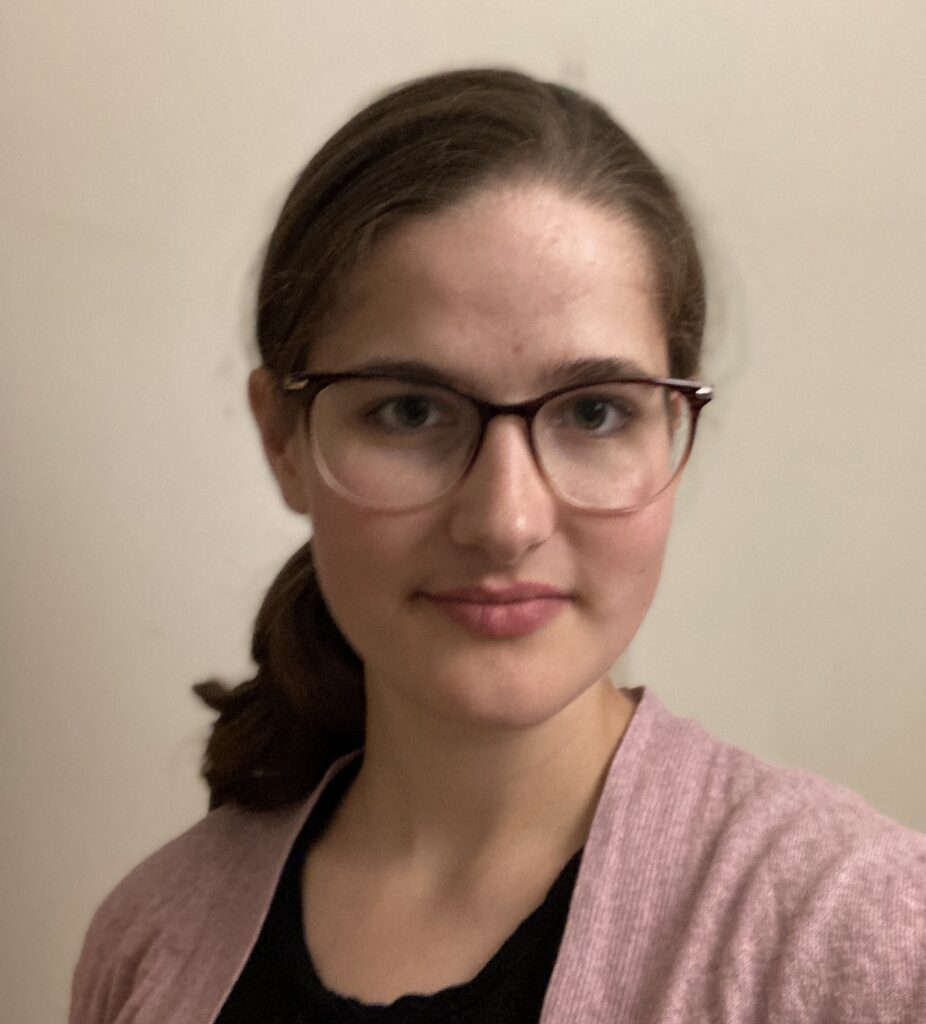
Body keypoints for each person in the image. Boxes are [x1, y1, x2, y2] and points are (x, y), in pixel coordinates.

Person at [70, 68, 925, 1024]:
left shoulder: (866, 939)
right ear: (284, 440)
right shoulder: (149, 940)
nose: (507, 520)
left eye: (595, 413)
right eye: (409, 410)